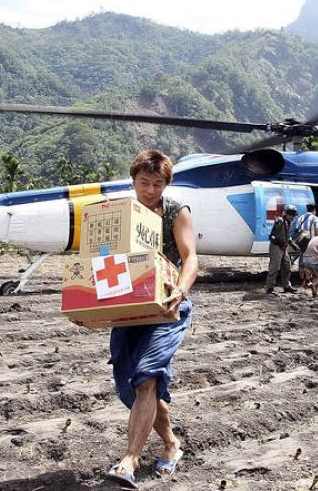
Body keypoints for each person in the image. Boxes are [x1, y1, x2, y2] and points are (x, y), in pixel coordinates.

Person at [106, 150, 199, 488]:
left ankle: (129, 460)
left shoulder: (176, 211)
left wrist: (181, 289)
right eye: (143, 183)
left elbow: (190, 258)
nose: (149, 190)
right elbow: (100, 263)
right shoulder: (119, 214)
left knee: (146, 377)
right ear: (132, 181)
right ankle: (172, 445)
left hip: (167, 308)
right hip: (130, 309)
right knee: (131, 383)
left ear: (166, 184)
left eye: (157, 184)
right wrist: (85, 309)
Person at [265, 205, 299, 294]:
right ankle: (269, 288)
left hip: (283, 247)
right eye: (292, 215)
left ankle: (286, 286)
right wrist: (281, 243)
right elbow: (273, 236)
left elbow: (287, 236)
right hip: (276, 246)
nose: (293, 217)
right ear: (287, 214)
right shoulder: (280, 221)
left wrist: (293, 245)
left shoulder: (288, 222)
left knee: (287, 266)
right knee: (275, 268)